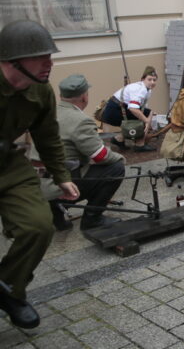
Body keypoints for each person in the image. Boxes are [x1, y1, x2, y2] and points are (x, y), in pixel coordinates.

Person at [0, 20, 80, 329]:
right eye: (41, 56)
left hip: (9, 165)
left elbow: (47, 136)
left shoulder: (41, 91)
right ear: (13, 61)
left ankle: (9, 290)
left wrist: (62, 176)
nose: (50, 63)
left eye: (50, 55)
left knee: (38, 227)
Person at [44, 74, 125, 231]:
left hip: (40, 181)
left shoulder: (49, 113)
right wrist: (121, 158)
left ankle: (57, 212)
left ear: (61, 95)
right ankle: (92, 219)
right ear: (84, 97)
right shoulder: (80, 120)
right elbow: (101, 156)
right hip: (61, 183)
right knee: (116, 168)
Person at [100, 66, 158, 152]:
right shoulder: (140, 89)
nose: (152, 82)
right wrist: (146, 121)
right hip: (113, 112)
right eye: (149, 79)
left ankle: (118, 139)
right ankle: (139, 145)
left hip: (117, 108)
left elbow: (142, 107)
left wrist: (149, 119)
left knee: (147, 113)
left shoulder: (147, 89)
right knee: (143, 116)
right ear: (143, 79)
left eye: (154, 80)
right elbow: (133, 109)